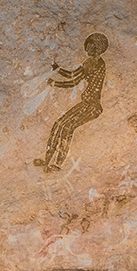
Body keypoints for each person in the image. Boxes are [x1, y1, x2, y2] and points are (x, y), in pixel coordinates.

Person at [34, 32, 109, 172]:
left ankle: (57, 164)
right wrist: (58, 70)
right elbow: (74, 77)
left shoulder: (93, 63)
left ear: (96, 47)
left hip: (91, 106)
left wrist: (55, 81)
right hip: (87, 104)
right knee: (59, 124)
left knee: (67, 127)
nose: (86, 49)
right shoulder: (96, 62)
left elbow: (72, 79)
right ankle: (47, 160)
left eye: (89, 46)